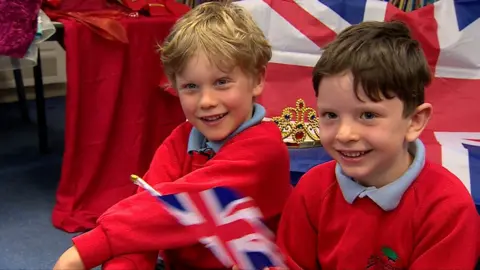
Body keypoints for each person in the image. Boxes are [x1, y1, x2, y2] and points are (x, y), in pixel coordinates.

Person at [53, 2, 292, 270]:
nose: (207, 101)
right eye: (191, 86)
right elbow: (145, 215)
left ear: (257, 79)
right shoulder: (182, 139)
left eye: (222, 82)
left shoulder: (263, 148)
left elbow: (183, 205)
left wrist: (88, 249)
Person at [276, 21, 479, 270]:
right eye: (330, 115)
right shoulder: (311, 189)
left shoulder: (448, 208)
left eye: (368, 115)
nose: (345, 133)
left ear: (414, 121)